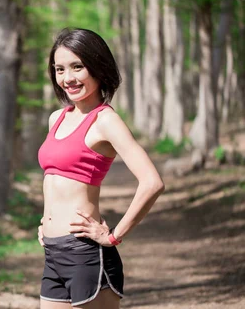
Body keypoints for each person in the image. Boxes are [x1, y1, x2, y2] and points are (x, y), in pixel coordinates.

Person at [36, 28, 165, 309]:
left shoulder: (105, 120)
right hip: (53, 254)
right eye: (59, 69)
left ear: (97, 67)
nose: (67, 78)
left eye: (77, 67)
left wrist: (114, 235)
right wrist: (46, 223)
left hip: (85, 254)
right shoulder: (56, 118)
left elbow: (152, 182)